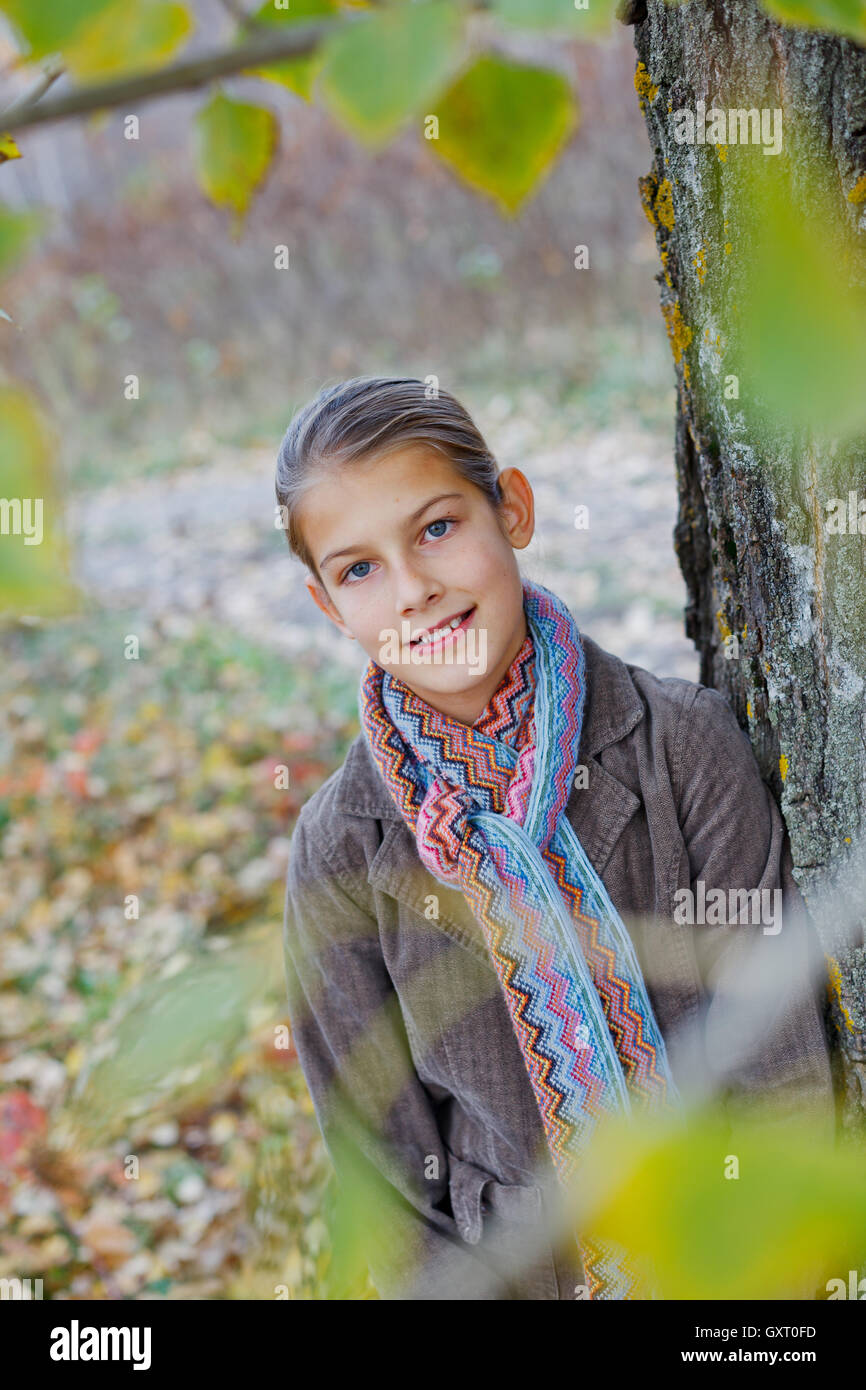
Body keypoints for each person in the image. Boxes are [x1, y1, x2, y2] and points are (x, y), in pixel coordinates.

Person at [275, 375, 835, 1301]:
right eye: (360, 569)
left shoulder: (683, 747)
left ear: (514, 509)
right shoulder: (342, 850)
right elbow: (382, 1172)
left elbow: (777, 1071)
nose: (414, 590)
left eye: (438, 528)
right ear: (330, 607)